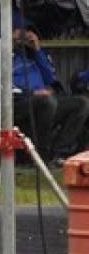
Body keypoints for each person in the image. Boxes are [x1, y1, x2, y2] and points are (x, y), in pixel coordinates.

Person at [13, 27, 89, 166]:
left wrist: (37, 50)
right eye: (19, 31)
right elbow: (4, 87)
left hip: (44, 99)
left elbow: (50, 78)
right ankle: (41, 154)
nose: (24, 35)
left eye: (27, 31)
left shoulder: (33, 55)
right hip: (19, 101)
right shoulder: (5, 56)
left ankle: (59, 152)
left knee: (82, 103)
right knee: (47, 101)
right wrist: (31, 93)